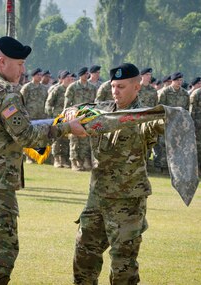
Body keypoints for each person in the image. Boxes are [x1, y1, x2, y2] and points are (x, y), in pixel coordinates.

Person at [0, 36, 87, 285]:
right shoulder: (5, 93)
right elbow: (26, 135)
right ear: (2, 62)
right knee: (1, 246)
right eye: (20, 64)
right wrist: (66, 127)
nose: (23, 70)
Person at [72, 63, 165, 284]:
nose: (115, 91)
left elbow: (158, 124)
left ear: (137, 87)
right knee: (84, 255)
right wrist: (71, 111)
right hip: (98, 197)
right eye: (113, 86)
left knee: (123, 263)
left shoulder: (143, 117)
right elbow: (78, 109)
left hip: (127, 200)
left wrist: (167, 117)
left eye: (121, 86)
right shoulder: (101, 111)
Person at [64, 66, 97, 171]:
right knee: (74, 140)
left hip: (86, 116)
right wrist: (67, 116)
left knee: (85, 139)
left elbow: (94, 103)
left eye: (87, 74)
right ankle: (74, 162)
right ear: (80, 75)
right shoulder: (73, 87)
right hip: (74, 117)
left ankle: (83, 161)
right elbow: (67, 104)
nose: (86, 75)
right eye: (84, 74)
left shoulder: (92, 88)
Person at [156, 72, 189, 173]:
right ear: (172, 81)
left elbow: (186, 109)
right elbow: (160, 108)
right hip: (167, 122)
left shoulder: (184, 93)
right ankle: (163, 167)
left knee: (177, 145)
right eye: (177, 80)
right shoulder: (165, 92)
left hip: (179, 124)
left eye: (181, 80)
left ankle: (175, 167)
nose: (179, 82)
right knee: (164, 145)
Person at [45, 70, 73, 168]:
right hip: (57, 117)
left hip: (68, 117)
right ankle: (57, 159)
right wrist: (51, 117)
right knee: (57, 138)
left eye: (70, 77)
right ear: (62, 79)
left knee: (65, 139)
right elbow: (49, 103)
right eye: (67, 77)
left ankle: (64, 160)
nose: (69, 79)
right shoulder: (57, 89)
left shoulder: (71, 89)